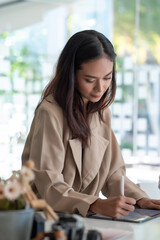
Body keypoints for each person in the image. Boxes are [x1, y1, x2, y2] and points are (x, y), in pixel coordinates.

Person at [22, 30, 160, 218]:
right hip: (45, 220)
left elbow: (113, 175)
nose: (100, 88)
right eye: (90, 80)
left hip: (85, 220)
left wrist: (140, 199)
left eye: (107, 78)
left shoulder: (102, 113)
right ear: (71, 74)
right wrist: (95, 204)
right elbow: (50, 185)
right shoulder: (49, 113)